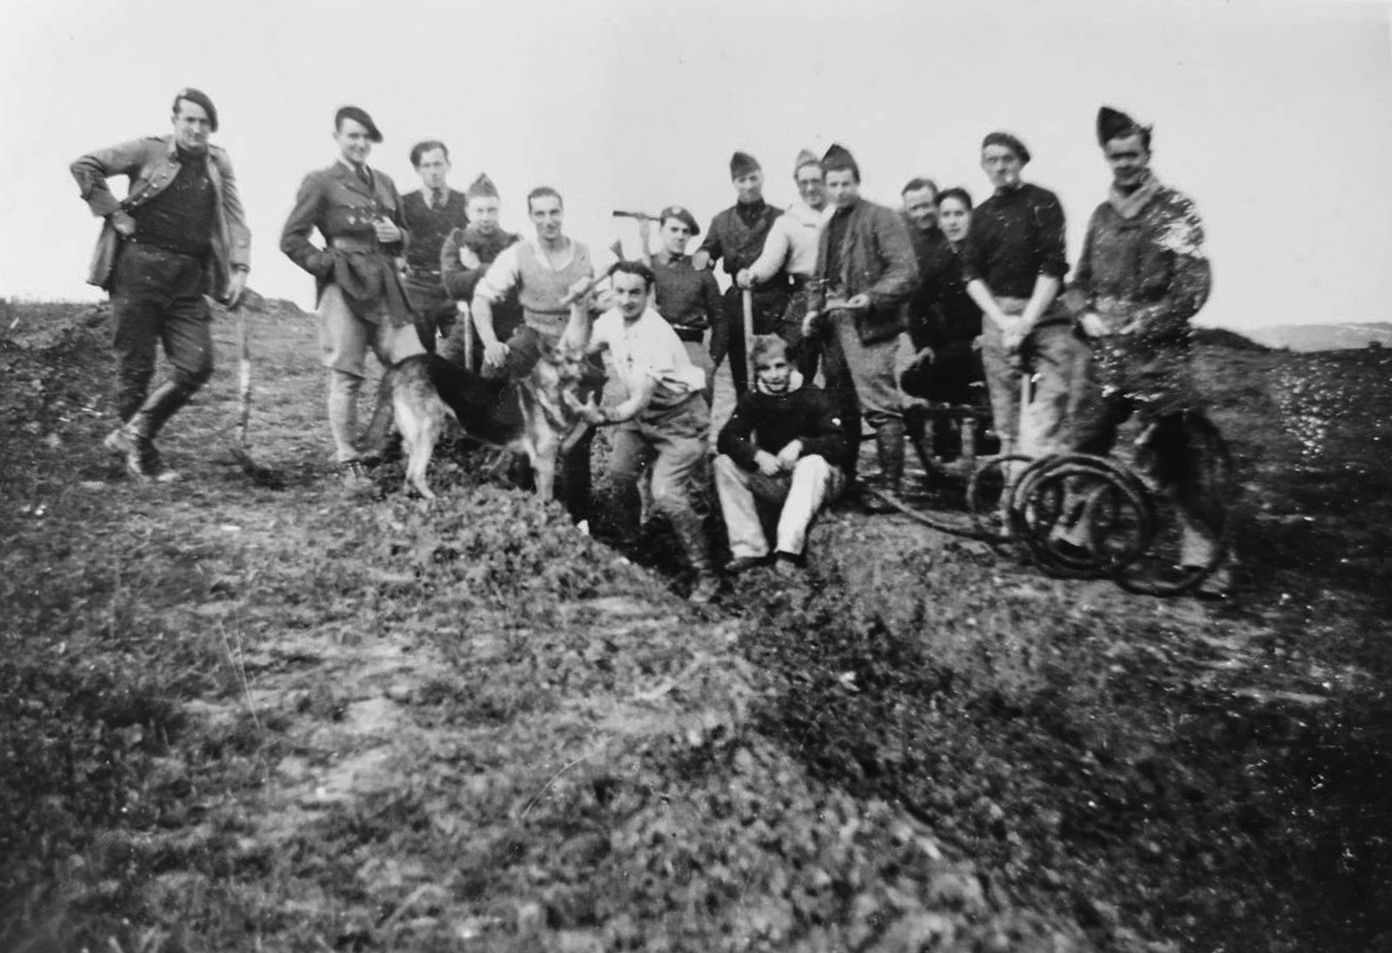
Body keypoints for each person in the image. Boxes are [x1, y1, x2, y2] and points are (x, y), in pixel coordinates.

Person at [1063, 106, 1228, 588]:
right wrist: (1084, 314)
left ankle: (1206, 557)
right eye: (1115, 157)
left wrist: (1148, 321)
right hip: (1104, 355)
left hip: (1160, 356)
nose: (1124, 165)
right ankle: (1076, 535)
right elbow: (1079, 282)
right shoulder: (1101, 215)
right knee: (1085, 440)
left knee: (1177, 450)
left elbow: (1192, 287)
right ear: (1106, 157)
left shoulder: (1178, 209)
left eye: (1132, 155)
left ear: (1148, 153)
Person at [71, 87, 250, 482]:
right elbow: (85, 164)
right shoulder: (148, 151)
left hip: (188, 278)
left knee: (197, 364)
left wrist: (240, 269)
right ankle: (142, 456)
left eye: (204, 122)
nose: (196, 128)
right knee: (135, 369)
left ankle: (132, 435)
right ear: (175, 121)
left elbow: (235, 217)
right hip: (137, 272)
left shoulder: (218, 162)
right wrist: (114, 214)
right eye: (189, 119)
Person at [280, 105, 424, 486]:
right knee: (346, 374)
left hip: (386, 283)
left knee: (412, 364)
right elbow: (291, 239)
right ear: (338, 138)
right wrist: (327, 264)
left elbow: (405, 235)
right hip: (344, 286)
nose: (360, 144)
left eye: (366, 138)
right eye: (352, 136)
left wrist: (400, 238)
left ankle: (397, 444)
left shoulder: (387, 183)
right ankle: (349, 459)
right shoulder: (321, 181)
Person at [574, 262, 718, 603]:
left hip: (679, 421)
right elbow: (581, 349)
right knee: (620, 474)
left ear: (649, 294)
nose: (626, 300)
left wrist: (601, 415)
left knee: (666, 492)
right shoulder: (610, 320)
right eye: (620, 291)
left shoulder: (655, 333)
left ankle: (706, 572)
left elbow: (638, 400)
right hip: (641, 422)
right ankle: (633, 547)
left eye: (635, 293)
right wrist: (578, 308)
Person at [470, 186, 606, 522]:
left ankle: (578, 519)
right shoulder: (518, 254)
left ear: (563, 213)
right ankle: (523, 501)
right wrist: (490, 341)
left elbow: (617, 300)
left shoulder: (591, 255)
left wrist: (592, 302)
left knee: (576, 439)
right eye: (540, 214)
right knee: (517, 411)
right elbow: (481, 298)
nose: (549, 221)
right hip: (534, 341)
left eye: (554, 212)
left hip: (577, 347)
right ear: (531, 217)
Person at [962, 131, 1087, 467]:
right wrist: (1004, 322)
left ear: (1021, 162)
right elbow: (971, 275)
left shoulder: (1043, 202)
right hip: (999, 318)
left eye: (1007, 159)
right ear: (983, 165)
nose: (1000, 166)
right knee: (1005, 416)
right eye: (992, 160)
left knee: (1050, 408)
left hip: (1046, 316)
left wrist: (1027, 320)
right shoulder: (982, 214)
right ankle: (1012, 500)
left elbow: (1053, 266)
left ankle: (1046, 492)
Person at [805, 143, 919, 506]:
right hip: (834, 327)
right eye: (833, 185)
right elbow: (818, 280)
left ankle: (891, 488)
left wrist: (871, 297)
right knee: (840, 407)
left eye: (845, 183)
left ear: (857, 181)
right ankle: (846, 478)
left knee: (879, 406)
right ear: (824, 187)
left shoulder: (881, 217)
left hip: (870, 327)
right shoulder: (828, 227)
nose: (840, 191)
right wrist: (812, 310)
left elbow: (905, 271)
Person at [714, 335, 851, 574]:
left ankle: (787, 550)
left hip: (820, 479)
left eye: (780, 366)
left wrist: (802, 445)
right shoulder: (754, 398)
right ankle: (749, 549)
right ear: (757, 372)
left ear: (792, 365)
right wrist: (755, 455)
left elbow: (841, 443)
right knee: (723, 463)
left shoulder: (812, 395)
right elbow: (726, 438)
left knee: (811, 463)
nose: (774, 375)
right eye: (765, 369)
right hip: (780, 478)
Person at [898, 183, 988, 461]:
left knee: (961, 363)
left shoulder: (987, 253)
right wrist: (924, 345)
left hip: (987, 342)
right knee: (911, 379)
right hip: (956, 346)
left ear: (971, 215)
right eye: (946, 215)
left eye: (959, 214)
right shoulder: (941, 259)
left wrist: (990, 332)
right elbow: (916, 307)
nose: (952, 221)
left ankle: (983, 424)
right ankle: (973, 403)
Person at [694, 151, 787, 394]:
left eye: (753, 178)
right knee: (743, 375)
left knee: (776, 371)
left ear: (762, 178)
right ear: (733, 183)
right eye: (741, 180)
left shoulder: (781, 218)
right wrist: (705, 254)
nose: (748, 186)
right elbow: (708, 249)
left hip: (775, 304)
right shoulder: (721, 221)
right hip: (738, 307)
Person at [738, 149, 833, 378]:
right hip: (804, 294)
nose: (810, 188)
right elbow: (769, 260)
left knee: (839, 366)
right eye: (804, 182)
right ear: (797, 184)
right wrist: (751, 274)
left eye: (815, 181)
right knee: (798, 362)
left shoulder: (840, 213)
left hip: (837, 293)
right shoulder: (788, 221)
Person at [635, 205, 727, 403]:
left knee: (696, 416)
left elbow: (720, 321)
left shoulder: (700, 271)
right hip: (654, 349)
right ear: (660, 231)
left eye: (685, 232)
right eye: (674, 229)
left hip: (690, 350)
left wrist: (712, 361)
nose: (680, 236)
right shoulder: (643, 266)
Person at [438, 173, 522, 370]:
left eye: (491, 210)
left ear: (499, 210)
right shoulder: (458, 240)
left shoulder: (514, 243)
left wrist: (477, 268)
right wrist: (490, 272)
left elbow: (518, 288)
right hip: (468, 324)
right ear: (468, 212)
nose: (486, 217)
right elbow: (452, 286)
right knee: (447, 376)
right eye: (479, 211)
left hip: (507, 324)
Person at [400, 140, 470, 351]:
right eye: (427, 166)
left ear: (448, 165)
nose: (433, 171)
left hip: (453, 288)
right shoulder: (404, 203)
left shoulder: (465, 203)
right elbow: (392, 245)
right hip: (417, 288)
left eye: (438, 164)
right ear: (417, 169)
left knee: (462, 355)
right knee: (420, 358)